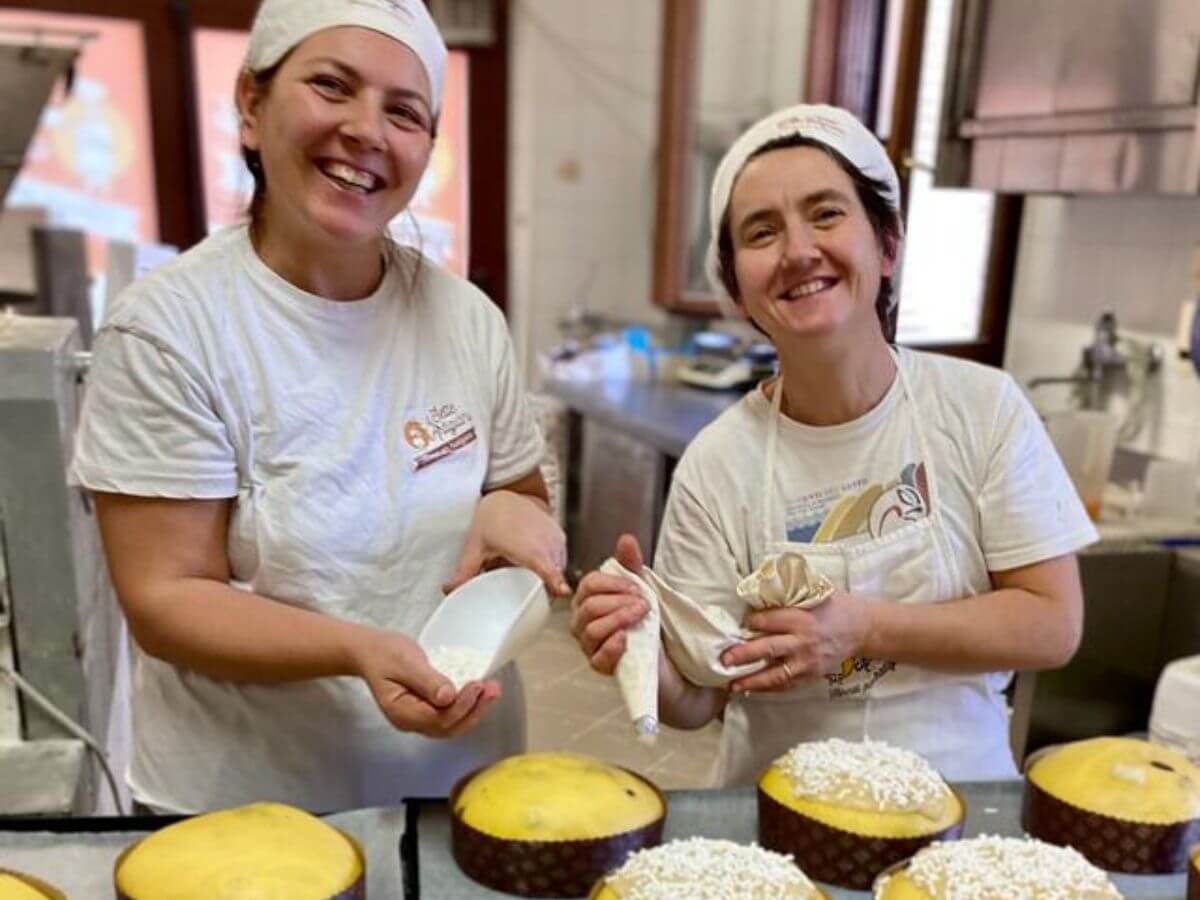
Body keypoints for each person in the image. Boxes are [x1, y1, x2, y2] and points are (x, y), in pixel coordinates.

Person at [71, 0, 567, 813]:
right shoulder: (169, 328)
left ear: (427, 149)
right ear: (252, 105)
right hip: (249, 803)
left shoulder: (465, 317)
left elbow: (514, 494)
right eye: (332, 86)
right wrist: (355, 649)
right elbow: (166, 598)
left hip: (460, 790)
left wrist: (516, 518)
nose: (368, 131)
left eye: (404, 112)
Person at [570, 104, 1096, 784]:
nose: (797, 251)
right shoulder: (718, 461)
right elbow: (699, 698)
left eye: (825, 215)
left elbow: (1052, 625)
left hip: (960, 801)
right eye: (762, 232)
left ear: (887, 244)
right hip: (779, 806)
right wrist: (637, 648)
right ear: (737, 286)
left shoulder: (981, 407)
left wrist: (865, 629)